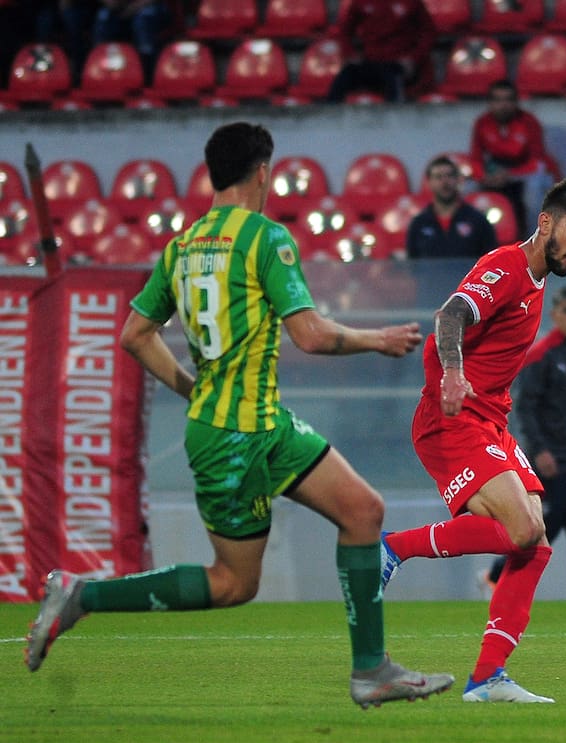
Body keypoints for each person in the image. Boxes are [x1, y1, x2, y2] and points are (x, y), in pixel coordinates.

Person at [24, 122, 454, 709]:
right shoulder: (263, 237)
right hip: (234, 438)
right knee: (232, 584)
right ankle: (82, 596)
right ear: (262, 172)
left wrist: (193, 390)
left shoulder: (183, 245)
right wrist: (375, 339)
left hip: (262, 424)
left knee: (362, 510)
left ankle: (371, 670)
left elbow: (135, 334)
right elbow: (310, 335)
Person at [379, 180, 566, 703]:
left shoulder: (538, 278)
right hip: (451, 416)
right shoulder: (506, 266)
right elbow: (451, 316)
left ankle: (487, 678)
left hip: (490, 422)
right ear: (545, 223)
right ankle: (392, 549)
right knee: (523, 528)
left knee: (535, 544)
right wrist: (454, 375)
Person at [482, 286, 566, 601]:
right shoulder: (541, 354)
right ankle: (495, 576)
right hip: (549, 459)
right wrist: (538, 451)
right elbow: (524, 407)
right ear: (554, 315)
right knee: (541, 528)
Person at [469, 79, 563, 236]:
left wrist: (509, 175)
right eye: (498, 100)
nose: (503, 105)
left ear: (516, 102)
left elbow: (537, 162)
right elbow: (475, 158)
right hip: (497, 172)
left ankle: (536, 238)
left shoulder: (529, 122)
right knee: (468, 188)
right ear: (490, 103)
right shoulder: (482, 123)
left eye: (508, 100)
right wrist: (483, 176)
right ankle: (476, 239)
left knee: (533, 190)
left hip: (527, 172)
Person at [326, 0, 438, 103]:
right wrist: (350, 54)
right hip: (371, 62)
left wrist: (413, 58)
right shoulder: (361, 2)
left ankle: (396, 117)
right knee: (346, 74)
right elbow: (344, 32)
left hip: (397, 64)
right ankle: (329, 116)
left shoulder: (411, 2)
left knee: (393, 77)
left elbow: (429, 32)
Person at [406, 154, 498, 260]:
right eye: (438, 177)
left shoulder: (478, 221)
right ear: (429, 182)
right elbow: (413, 266)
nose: (445, 182)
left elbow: (491, 263)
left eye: (449, 176)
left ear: (458, 180)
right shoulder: (418, 224)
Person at [91, 0, 177, 80]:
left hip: (148, 6)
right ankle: (99, 73)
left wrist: (134, 8)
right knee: (103, 17)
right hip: (118, 8)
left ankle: (147, 76)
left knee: (143, 20)